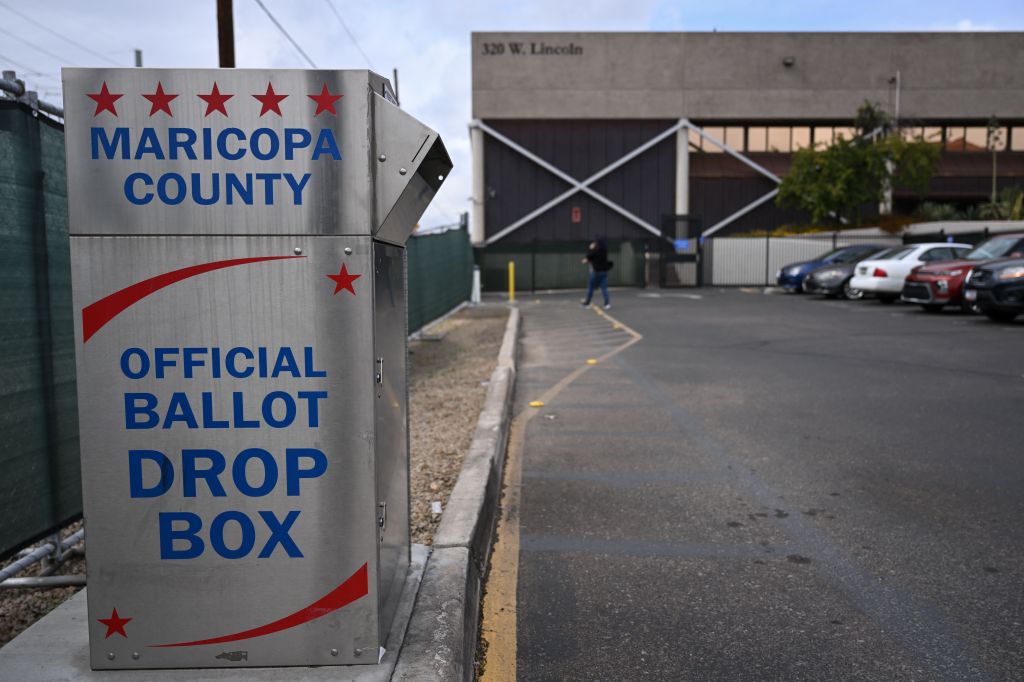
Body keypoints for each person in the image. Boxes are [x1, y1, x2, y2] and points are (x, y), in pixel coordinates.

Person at [581, 239, 613, 309]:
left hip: (595, 272)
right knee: (604, 288)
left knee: (591, 288)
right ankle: (607, 304)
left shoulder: (595, 251)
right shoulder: (604, 251)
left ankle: (587, 303)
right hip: (604, 272)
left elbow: (587, 257)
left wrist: (590, 248)